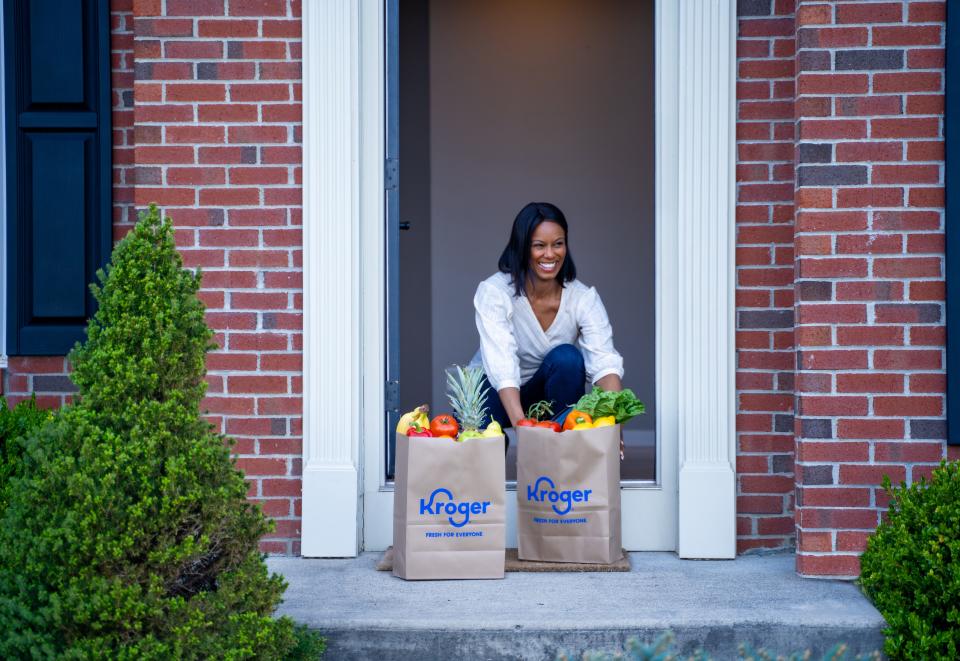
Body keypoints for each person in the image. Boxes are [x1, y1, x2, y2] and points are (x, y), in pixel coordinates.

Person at [469, 202, 624, 451]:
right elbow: (503, 366)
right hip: (494, 393)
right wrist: (523, 428)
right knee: (484, 446)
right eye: (539, 245)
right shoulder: (495, 292)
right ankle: (498, 440)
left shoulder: (582, 298)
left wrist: (615, 427)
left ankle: (561, 449)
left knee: (568, 358)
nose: (550, 255)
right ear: (521, 248)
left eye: (558, 244)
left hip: (545, 395)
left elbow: (604, 363)